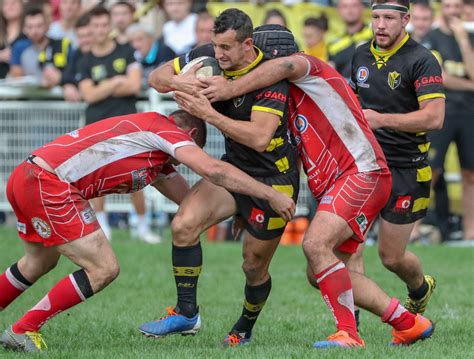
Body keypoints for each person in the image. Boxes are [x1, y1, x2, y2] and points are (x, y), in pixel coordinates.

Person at [198, 24, 436, 348]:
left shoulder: (310, 70)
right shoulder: (281, 97)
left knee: (314, 245)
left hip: (360, 172)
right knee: (318, 271)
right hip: (344, 181)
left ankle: (349, 334)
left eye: (258, 59)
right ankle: (407, 323)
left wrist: (226, 90)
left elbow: (287, 65)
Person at [0, 110, 295, 353]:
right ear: (189, 136)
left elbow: (191, 205)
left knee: (38, 262)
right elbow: (214, 171)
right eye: (183, 155)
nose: (178, 163)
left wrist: (241, 211)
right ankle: (23, 329)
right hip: (48, 183)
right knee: (103, 269)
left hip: (28, 177)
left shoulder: (155, 159)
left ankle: (19, 326)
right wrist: (269, 195)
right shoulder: (162, 129)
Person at [140, 9, 300, 345]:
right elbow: (155, 76)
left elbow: (258, 136)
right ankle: (186, 313)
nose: (218, 55)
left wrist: (207, 113)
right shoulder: (208, 56)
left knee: (252, 266)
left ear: (247, 44)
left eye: (226, 48)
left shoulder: (270, 76)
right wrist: (177, 81)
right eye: (215, 45)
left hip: (274, 179)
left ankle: (244, 326)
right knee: (184, 225)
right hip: (232, 169)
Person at [349, 0, 445, 314]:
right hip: (366, 167)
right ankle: (350, 326)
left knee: (391, 257)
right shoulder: (361, 54)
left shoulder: (422, 59)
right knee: (350, 247)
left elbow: (434, 118)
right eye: (375, 17)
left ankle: (420, 288)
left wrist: (382, 119)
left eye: (389, 18)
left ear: (405, 20)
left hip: (406, 169)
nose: (380, 25)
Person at [77, 6, 156, 243]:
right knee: (96, 177)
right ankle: (103, 227)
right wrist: (115, 83)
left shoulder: (126, 51)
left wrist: (103, 87)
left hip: (126, 122)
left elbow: (133, 85)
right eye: (96, 26)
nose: (101, 30)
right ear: (90, 28)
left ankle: (142, 227)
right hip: (96, 124)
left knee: (135, 174)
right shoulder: (84, 59)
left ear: (110, 25)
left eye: (104, 25)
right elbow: (88, 95)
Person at [422, 0, 474, 243]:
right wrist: (471, 85)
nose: (453, 12)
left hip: (469, 114)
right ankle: (412, 229)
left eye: (457, 7)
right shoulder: (431, 38)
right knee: (430, 171)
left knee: (470, 174)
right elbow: (439, 77)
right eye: (448, 6)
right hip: (442, 111)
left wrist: (463, 40)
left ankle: (470, 232)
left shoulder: (469, 37)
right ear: (440, 8)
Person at [10, 6, 73, 88]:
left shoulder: (63, 45)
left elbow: (73, 72)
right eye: (30, 27)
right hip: (29, 97)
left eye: (39, 26)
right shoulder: (20, 47)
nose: (34, 31)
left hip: (58, 97)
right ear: (24, 28)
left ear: (47, 25)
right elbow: (17, 77)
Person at [328, 0, 372, 81]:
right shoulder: (333, 44)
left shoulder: (374, 33)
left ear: (362, 8)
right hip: (343, 90)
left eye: (354, 5)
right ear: (338, 10)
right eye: (345, 6)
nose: (349, 10)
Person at [62, 14, 92, 102]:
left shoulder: (105, 53)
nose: (85, 40)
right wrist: (68, 85)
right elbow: (67, 76)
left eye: (88, 35)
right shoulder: (76, 54)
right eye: (81, 36)